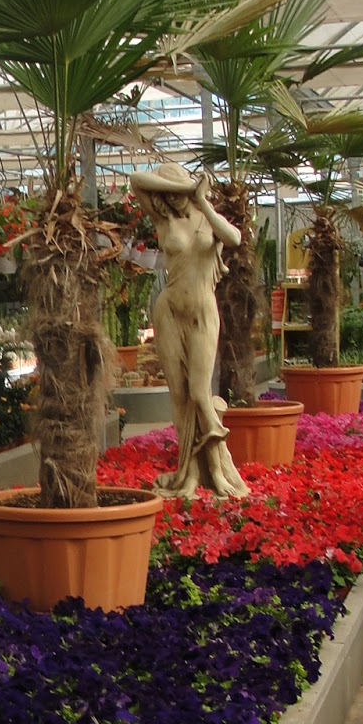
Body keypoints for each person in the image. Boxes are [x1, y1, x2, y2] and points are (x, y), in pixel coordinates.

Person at [129, 163, 249, 500]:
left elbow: (234, 238)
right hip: (169, 312)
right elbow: (136, 180)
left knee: (199, 392)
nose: (174, 199)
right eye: (169, 193)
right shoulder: (163, 220)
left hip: (202, 312)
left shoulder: (206, 219)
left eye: (178, 192)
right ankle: (189, 472)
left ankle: (218, 468)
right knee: (179, 396)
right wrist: (184, 189)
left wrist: (202, 201)